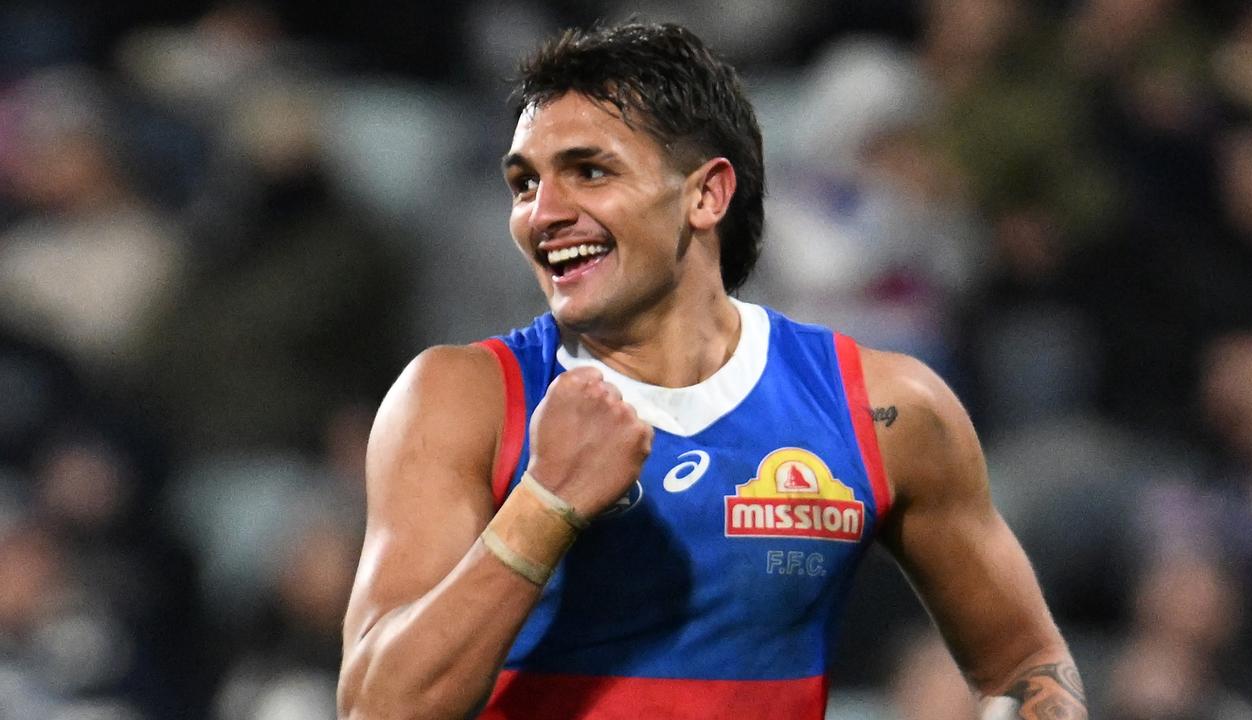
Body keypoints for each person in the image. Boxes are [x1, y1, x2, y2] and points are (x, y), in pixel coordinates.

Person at [338, 22, 1088, 720]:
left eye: (588, 172)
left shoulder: (884, 409)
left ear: (707, 193)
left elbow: (1023, 661)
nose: (543, 213)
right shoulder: (460, 401)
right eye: (525, 183)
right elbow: (377, 708)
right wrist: (545, 505)